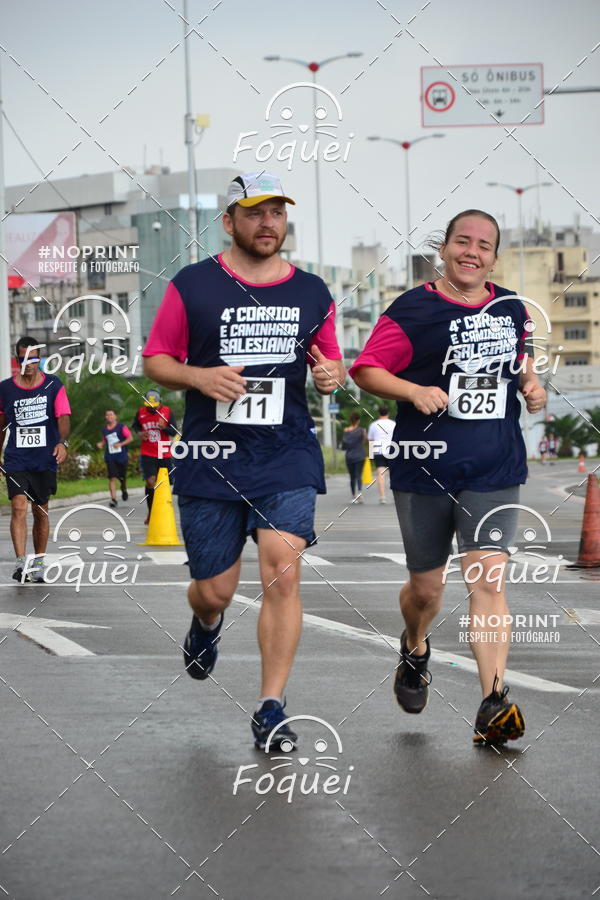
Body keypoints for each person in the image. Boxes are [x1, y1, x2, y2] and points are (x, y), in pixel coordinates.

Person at [143, 171, 344, 750]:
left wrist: (332, 376)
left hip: (286, 454)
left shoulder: (311, 292)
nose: (268, 223)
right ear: (229, 221)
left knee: (282, 566)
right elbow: (155, 359)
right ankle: (206, 623)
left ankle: (271, 706)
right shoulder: (194, 286)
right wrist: (198, 376)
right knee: (216, 590)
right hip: (212, 458)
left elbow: (329, 364)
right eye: (255, 213)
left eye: (277, 212)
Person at [350, 209, 547, 746]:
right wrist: (412, 392)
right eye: (463, 241)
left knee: (487, 580)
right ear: (445, 248)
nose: (472, 252)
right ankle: (414, 647)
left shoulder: (511, 309)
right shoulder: (413, 308)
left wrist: (532, 386)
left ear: (494, 257)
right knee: (426, 588)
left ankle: (494, 701)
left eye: (484, 245)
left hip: (494, 467)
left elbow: (522, 362)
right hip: (424, 468)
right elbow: (365, 369)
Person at [0, 336, 71, 583]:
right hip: (17, 458)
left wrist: (62, 442)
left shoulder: (53, 385)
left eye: (33, 359)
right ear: (17, 360)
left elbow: (63, 417)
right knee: (18, 506)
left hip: (44, 458)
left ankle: (39, 563)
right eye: (23, 359)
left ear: (39, 359)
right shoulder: (6, 389)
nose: (28, 363)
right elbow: (1, 426)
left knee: (40, 510)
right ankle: (21, 564)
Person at [132, 389, 178, 524]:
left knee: (165, 484)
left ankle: (164, 511)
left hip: (163, 452)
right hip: (147, 453)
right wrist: (140, 433)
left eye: (155, 406)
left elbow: (174, 431)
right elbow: (136, 426)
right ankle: (151, 512)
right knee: (150, 482)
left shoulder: (167, 412)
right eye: (149, 406)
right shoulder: (140, 412)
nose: (152, 408)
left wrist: (164, 427)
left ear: (160, 403)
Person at [97, 409, 133, 507]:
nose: (109, 417)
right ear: (105, 417)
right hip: (110, 457)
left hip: (122, 456)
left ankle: (123, 489)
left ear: (115, 416)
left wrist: (120, 444)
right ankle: (113, 499)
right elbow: (104, 440)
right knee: (112, 478)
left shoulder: (121, 427)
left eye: (111, 415)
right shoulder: (104, 429)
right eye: (107, 415)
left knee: (122, 478)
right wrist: (101, 444)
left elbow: (130, 438)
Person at [367, 404, 396, 503]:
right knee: (394, 474)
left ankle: (382, 497)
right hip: (392, 450)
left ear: (378, 413)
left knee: (380, 473)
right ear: (388, 413)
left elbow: (370, 440)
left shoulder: (374, 425)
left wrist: (370, 456)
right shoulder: (393, 424)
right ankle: (395, 496)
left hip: (378, 451)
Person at [342, 412, 366, 502]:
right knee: (358, 475)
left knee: (352, 476)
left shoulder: (345, 430)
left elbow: (344, 445)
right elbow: (363, 441)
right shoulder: (362, 430)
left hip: (349, 456)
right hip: (359, 455)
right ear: (358, 420)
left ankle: (353, 495)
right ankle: (359, 494)